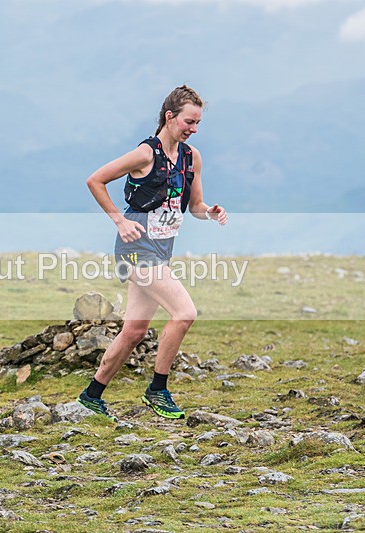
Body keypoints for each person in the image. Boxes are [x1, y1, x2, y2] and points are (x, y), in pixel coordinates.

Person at [77, 85, 227, 421]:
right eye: (189, 121)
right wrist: (119, 221)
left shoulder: (192, 158)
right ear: (170, 117)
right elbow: (95, 180)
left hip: (161, 250)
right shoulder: (146, 154)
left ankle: (91, 395)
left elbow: (194, 205)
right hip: (136, 249)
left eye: (198, 123)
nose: (194, 129)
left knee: (134, 331)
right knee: (184, 313)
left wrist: (210, 212)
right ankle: (158, 389)